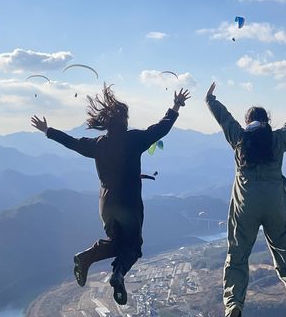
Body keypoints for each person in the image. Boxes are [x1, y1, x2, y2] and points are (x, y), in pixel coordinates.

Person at [31, 83, 190, 305]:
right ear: (124, 121)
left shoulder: (97, 144)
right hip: (129, 204)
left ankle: (87, 257)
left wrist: (48, 131)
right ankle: (118, 274)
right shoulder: (134, 139)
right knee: (133, 246)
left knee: (116, 243)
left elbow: (73, 143)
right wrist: (175, 106)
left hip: (106, 205)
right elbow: (161, 129)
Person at [204, 82, 286, 317]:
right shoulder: (278, 139)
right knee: (285, 252)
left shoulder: (238, 137)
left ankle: (234, 306)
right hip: (275, 201)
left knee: (237, 256)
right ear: (267, 120)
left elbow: (224, 119)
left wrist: (211, 101)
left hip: (245, 202)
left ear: (247, 121)